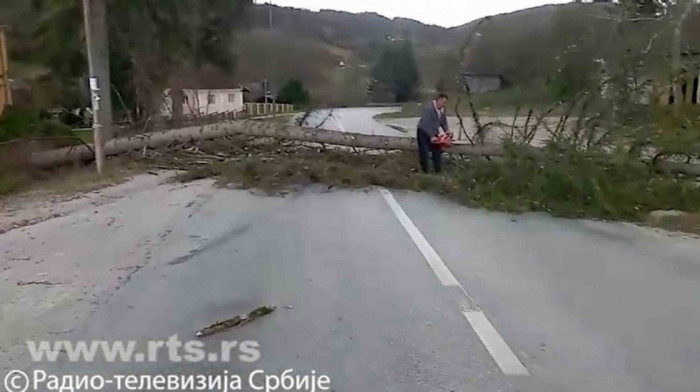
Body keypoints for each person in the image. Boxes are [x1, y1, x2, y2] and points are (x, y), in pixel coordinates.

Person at [417, 93, 452, 173]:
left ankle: (438, 171)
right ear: (438, 100)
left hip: (434, 131)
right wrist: (431, 136)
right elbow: (427, 123)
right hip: (424, 131)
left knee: (437, 151)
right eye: (443, 102)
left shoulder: (442, 109)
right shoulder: (429, 108)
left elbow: (443, 121)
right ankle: (425, 171)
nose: (444, 104)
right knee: (424, 152)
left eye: (445, 103)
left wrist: (446, 130)